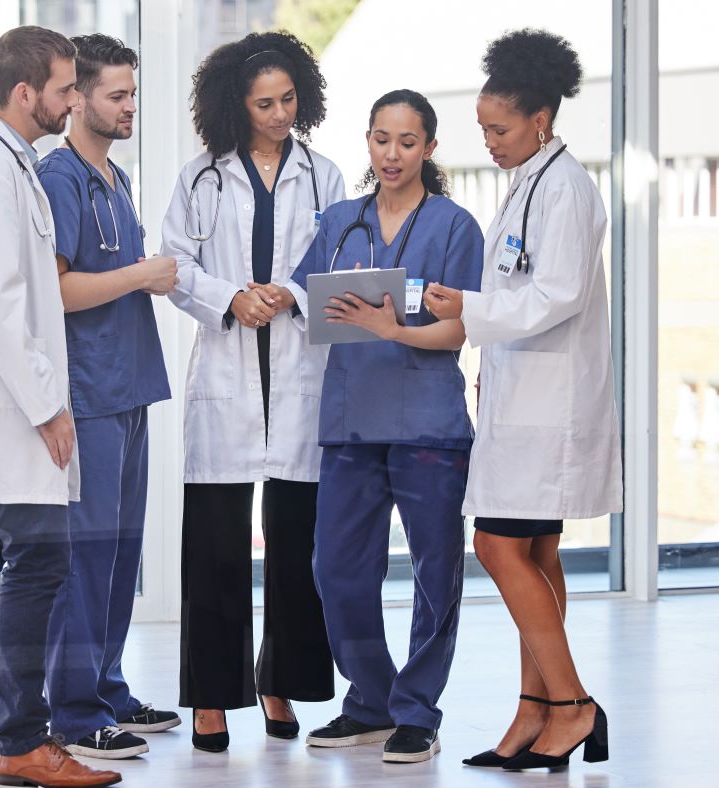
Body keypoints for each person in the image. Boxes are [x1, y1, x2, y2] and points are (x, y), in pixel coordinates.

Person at [0, 25, 120, 788]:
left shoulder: (8, 167)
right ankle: (24, 743)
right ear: (25, 92)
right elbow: (0, 304)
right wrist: (46, 405)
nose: (74, 102)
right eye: (67, 89)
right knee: (39, 560)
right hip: (3, 408)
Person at [424, 28, 621, 771]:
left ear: (539, 119)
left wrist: (467, 309)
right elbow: (519, 287)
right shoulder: (532, 177)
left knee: (496, 545)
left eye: (498, 128)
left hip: (552, 406)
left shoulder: (565, 187)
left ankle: (572, 706)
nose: (487, 141)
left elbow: (557, 293)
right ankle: (533, 712)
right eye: (483, 128)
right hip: (522, 394)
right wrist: (474, 308)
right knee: (533, 552)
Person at [285, 89, 484, 764]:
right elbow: (308, 300)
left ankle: (417, 711)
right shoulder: (341, 221)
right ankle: (370, 699)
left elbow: (461, 326)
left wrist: (394, 327)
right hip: (349, 423)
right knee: (337, 571)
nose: (391, 154)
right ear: (367, 142)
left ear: (429, 147)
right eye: (380, 139)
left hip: (428, 425)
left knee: (435, 574)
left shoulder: (456, 227)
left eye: (406, 141)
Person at [159, 30, 344, 753]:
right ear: (235, 105)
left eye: (288, 100)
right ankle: (211, 698)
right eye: (263, 103)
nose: (278, 115)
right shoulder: (202, 176)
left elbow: (338, 259)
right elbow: (175, 265)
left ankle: (280, 682)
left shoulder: (324, 175)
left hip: (297, 369)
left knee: (297, 544)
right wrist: (230, 297)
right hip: (229, 367)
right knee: (215, 547)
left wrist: (291, 293)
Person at [37, 34, 179, 761]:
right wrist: (141, 276)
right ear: (79, 98)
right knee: (87, 557)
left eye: (132, 94)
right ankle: (73, 708)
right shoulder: (60, 178)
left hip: (131, 389)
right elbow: (58, 290)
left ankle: (109, 686)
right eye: (116, 95)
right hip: (88, 392)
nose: (129, 107)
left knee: (123, 552)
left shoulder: (115, 179)